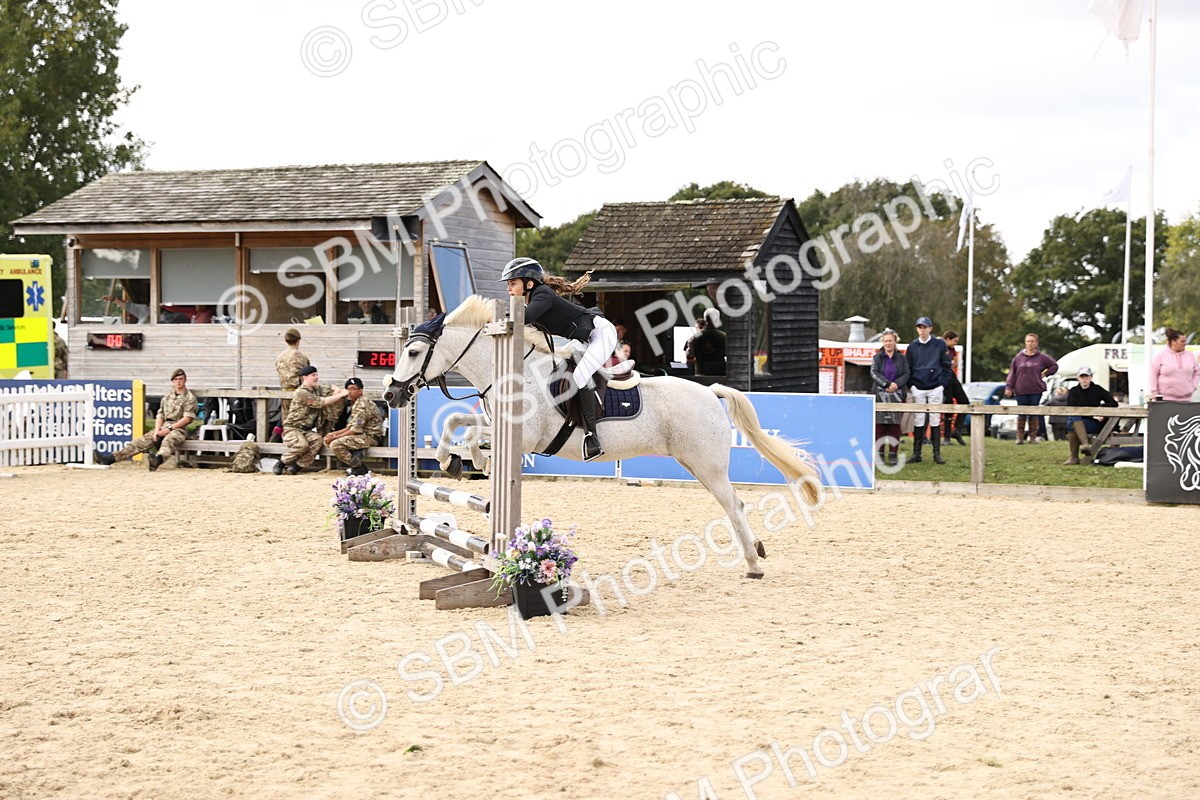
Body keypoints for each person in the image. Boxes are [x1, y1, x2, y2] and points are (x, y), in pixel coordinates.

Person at [500, 256, 615, 461]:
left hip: (600, 334)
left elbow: (524, 318)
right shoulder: (532, 300)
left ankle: (591, 437)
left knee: (580, 377)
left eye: (513, 283)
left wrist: (496, 318)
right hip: (581, 340)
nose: (509, 288)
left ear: (529, 284)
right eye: (508, 284)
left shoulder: (542, 293)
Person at [95, 368, 197, 470]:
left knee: (168, 441)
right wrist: (157, 430)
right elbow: (160, 415)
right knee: (140, 442)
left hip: (179, 428)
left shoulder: (189, 397)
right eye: (176, 379)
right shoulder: (167, 397)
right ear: (172, 381)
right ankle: (110, 459)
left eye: (181, 379)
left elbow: (187, 419)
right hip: (163, 427)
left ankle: (157, 460)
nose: (178, 382)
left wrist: (170, 428)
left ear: (185, 380)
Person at [275, 365, 349, 475]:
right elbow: (320, 402)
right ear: (305, 378)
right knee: (302, 446)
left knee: (318, 440)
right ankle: (281, 463)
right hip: (293, 429)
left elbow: (331, 388)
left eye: (317, 374)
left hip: (306, 430)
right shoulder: (302, 393)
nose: (316, 377)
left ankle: (297, 466)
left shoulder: (317, 389)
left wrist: (337, 390)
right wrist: (340, 395)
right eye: (313, 375)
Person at [906, 316, 951, 464]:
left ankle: (936, 454)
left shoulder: (939, 344)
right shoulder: (912, 347)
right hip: (918, 387)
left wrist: (942, 385)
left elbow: (946, 366)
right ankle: (916, 454)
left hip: (935, 387)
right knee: (918, 419)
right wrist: (912, 386)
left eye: (925, 327)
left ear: (930, 328)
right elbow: (908, 369)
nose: (922, 330)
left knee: (935, 418)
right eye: (920, 327)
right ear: (917, 329)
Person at [1004, 333, 1058, 444]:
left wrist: (1046, 373)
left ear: (1036, 343)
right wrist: (1009, 386)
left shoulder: (1042, 357)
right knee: (1021, 412)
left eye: (1032, 341)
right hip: (1021, 389)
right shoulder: (1018, 358)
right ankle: (1020, 437)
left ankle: (1033, 436)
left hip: (1036, 389)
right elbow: (1012, 373)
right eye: (1028, 341)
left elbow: (1054, 365)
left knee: (1033, 413)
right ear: (1025, 343)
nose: (1030, 343)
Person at [324, 377, 385, 475]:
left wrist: (335, 437)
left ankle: (359, 468)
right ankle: (356, 460)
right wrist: (333, 434)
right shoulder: (357, 403)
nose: (350, 392)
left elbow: (355, 430)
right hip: (361, 435)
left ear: (360, 390)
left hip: (370, 437)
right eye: (348, 389)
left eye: (353, 389)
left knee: (335, 444)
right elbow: (350, 427)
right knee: (330, 440)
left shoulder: (362, 404)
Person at [1063, 366, 1119, 465]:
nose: (1084, 379)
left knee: (1071, 422)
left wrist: (1100, 410)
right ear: (1078, 378)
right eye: (1082, 377)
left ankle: (1074, 457)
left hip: (1093, 423)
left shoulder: (1097, 389)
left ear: (1091, 377)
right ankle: (1084, 445)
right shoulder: (1073, 391)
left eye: (1087, 377)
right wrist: (1091, 415)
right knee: (1073, 419)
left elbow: (1113, 403)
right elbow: (1071, 408)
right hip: (1079, 420)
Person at [870, 328, 910, 466]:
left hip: (898, 394)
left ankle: (893, 454)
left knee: (895, 426)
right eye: (886, 341)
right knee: (880, 426)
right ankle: (879, 454)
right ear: (883, 342)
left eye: (890, 341)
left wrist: (895, 385)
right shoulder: (877, 357)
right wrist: (886, 384)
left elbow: (906, 374)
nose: (888, 343)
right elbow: (874, 373)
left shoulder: (902, 358)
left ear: (895, 342)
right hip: (880, 395)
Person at [275, 327, 309, 434]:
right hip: (299, 393)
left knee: (286, 420)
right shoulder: (302, 357)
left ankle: (284, 440)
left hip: (284, 392)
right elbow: (307, 374)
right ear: (298, 341)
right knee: (298, 421)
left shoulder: (280, 357)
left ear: (286, 340)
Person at [1151, 328, 1200, 402]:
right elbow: (1153, 374)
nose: (1185, 343)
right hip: (1165, 399)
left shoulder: (1190, 356)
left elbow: (1197, 372)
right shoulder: (1160, 355)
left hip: (1186, 399)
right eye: (1182, 341)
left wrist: (1193, 386)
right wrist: (1154, 392)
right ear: (1173, 341)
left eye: (1185, 341)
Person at [941, 330, 969, 445]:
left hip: (952, 376)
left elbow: (954, 362)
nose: (955, 344)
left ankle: (957, 430)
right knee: (948, 406)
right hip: (944, 377)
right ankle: (946, 437)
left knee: (964, 402)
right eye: (954, 341)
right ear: (947, 339)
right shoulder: (940, 347)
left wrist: (954, 363)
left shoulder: (952, 349)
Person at [691, 308, 727, 376]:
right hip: (719, 374)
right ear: (717, 320)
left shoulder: (694, 338)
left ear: (705, 319)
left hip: (700, 374)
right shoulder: (724, 337)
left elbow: (690, 357)